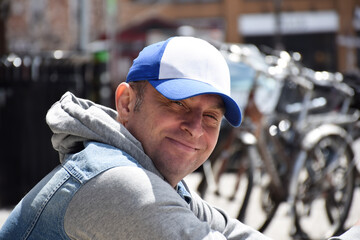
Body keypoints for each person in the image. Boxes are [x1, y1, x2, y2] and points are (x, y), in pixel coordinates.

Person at [0, 36, 359, 240]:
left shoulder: (165, 185)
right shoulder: (118, 183)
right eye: (176, 104)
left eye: (211, 116)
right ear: (126, 103)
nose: (195, 127)